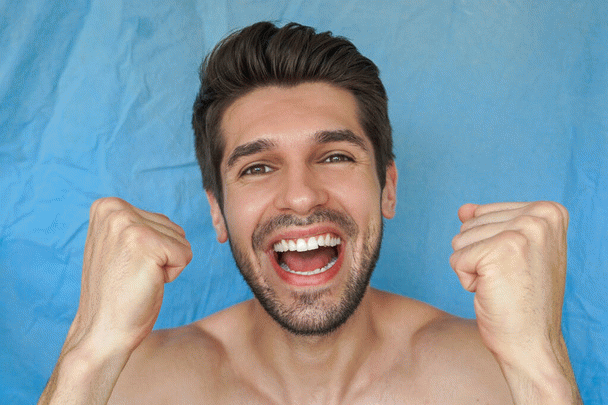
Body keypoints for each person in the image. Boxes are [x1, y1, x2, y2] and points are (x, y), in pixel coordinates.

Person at [39, 22, 581, 404]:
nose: (301, 197)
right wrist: (87, 355)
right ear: (218, 212)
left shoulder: (498, 376)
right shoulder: (129, 385)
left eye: (336, 156)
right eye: (257, 167)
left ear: (387, 188)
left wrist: (541, 361)